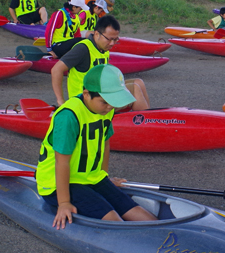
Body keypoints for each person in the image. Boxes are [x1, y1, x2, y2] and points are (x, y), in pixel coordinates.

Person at [37, 64, 157, 227]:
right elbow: (61, 162)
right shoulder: (68, 117)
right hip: (59, 183)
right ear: (86, 94)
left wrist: (103, 175)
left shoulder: (106, 110)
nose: (110, 107)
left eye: (114, 102)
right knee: (114, 221)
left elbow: (104, 142)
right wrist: (64, 202)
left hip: (90, 177)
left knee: (141, 215)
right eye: (105, 102)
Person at [51, 15, 150, 112]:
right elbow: (56, 69)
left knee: (138, 82)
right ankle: (146, 123)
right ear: (97, 34)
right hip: (86, 101)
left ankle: (150, 117)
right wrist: (61, 101)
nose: (112, 43)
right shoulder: (83, 48)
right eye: (109, 39)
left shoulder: (103, 49)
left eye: (115, 39)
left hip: (101, 94)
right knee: (135, 88)